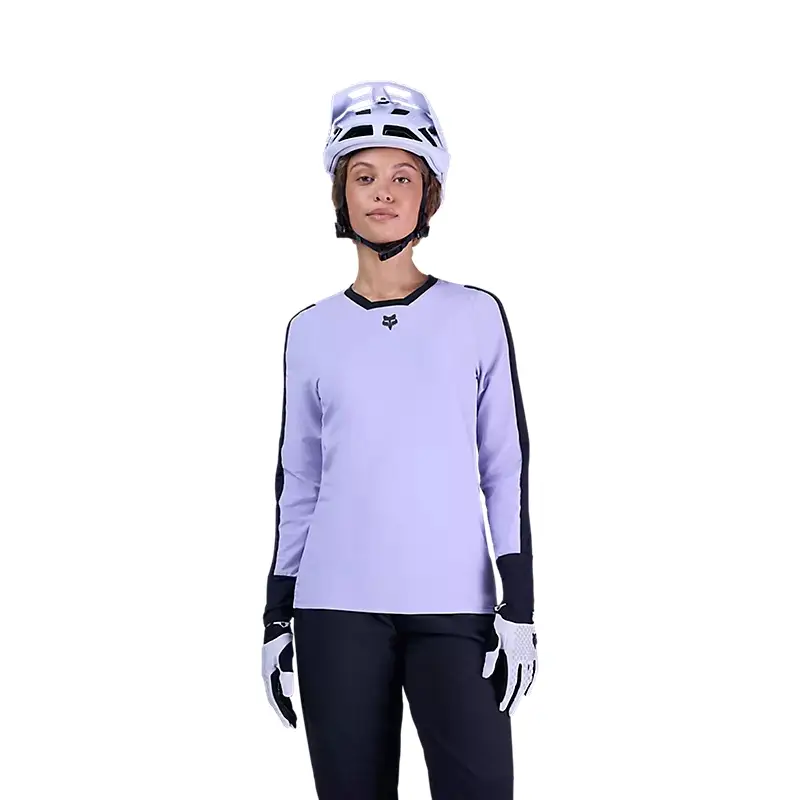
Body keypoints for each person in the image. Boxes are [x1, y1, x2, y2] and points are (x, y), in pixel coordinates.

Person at [261, 80, 537, 800]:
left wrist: (520, 606)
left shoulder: (475, 315)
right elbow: (299, 481)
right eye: (364, 176)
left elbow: (504, 466)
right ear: (341, 195)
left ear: (427, 196)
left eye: (402, 177)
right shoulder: (309, 331)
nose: (382, 192)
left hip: (455, 605)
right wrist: (275, 615)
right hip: (334, 611)